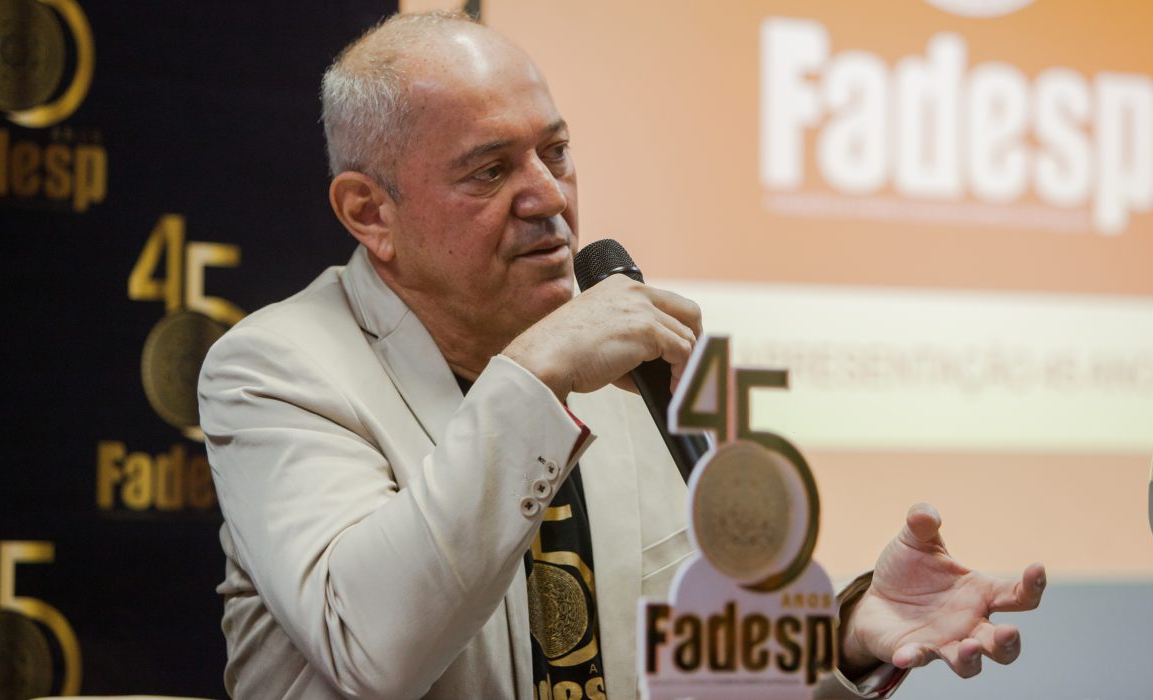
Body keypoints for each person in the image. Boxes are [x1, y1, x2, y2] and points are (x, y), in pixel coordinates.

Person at [198, 11, 1046, 700]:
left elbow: (706, 665)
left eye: (556, 151)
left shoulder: (634, 361)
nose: (548, 196)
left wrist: (852, 637)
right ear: (369, 213)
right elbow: (375, 654)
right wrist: (535, 376)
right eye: (490, 171)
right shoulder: (275, 369)